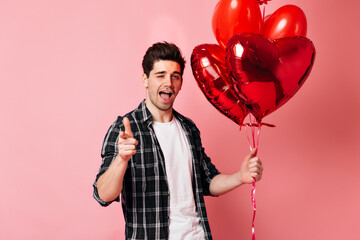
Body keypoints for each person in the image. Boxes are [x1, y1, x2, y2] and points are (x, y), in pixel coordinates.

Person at [93, 42, 263, 240]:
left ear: (181, 83)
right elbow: (103, 195)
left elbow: (208, 182)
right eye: (160, 75)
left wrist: (240, 177)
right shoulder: (125, 128)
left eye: (175, 76)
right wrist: (122, 159)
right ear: (145, 80)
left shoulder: (189, 128)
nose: (169, 82)